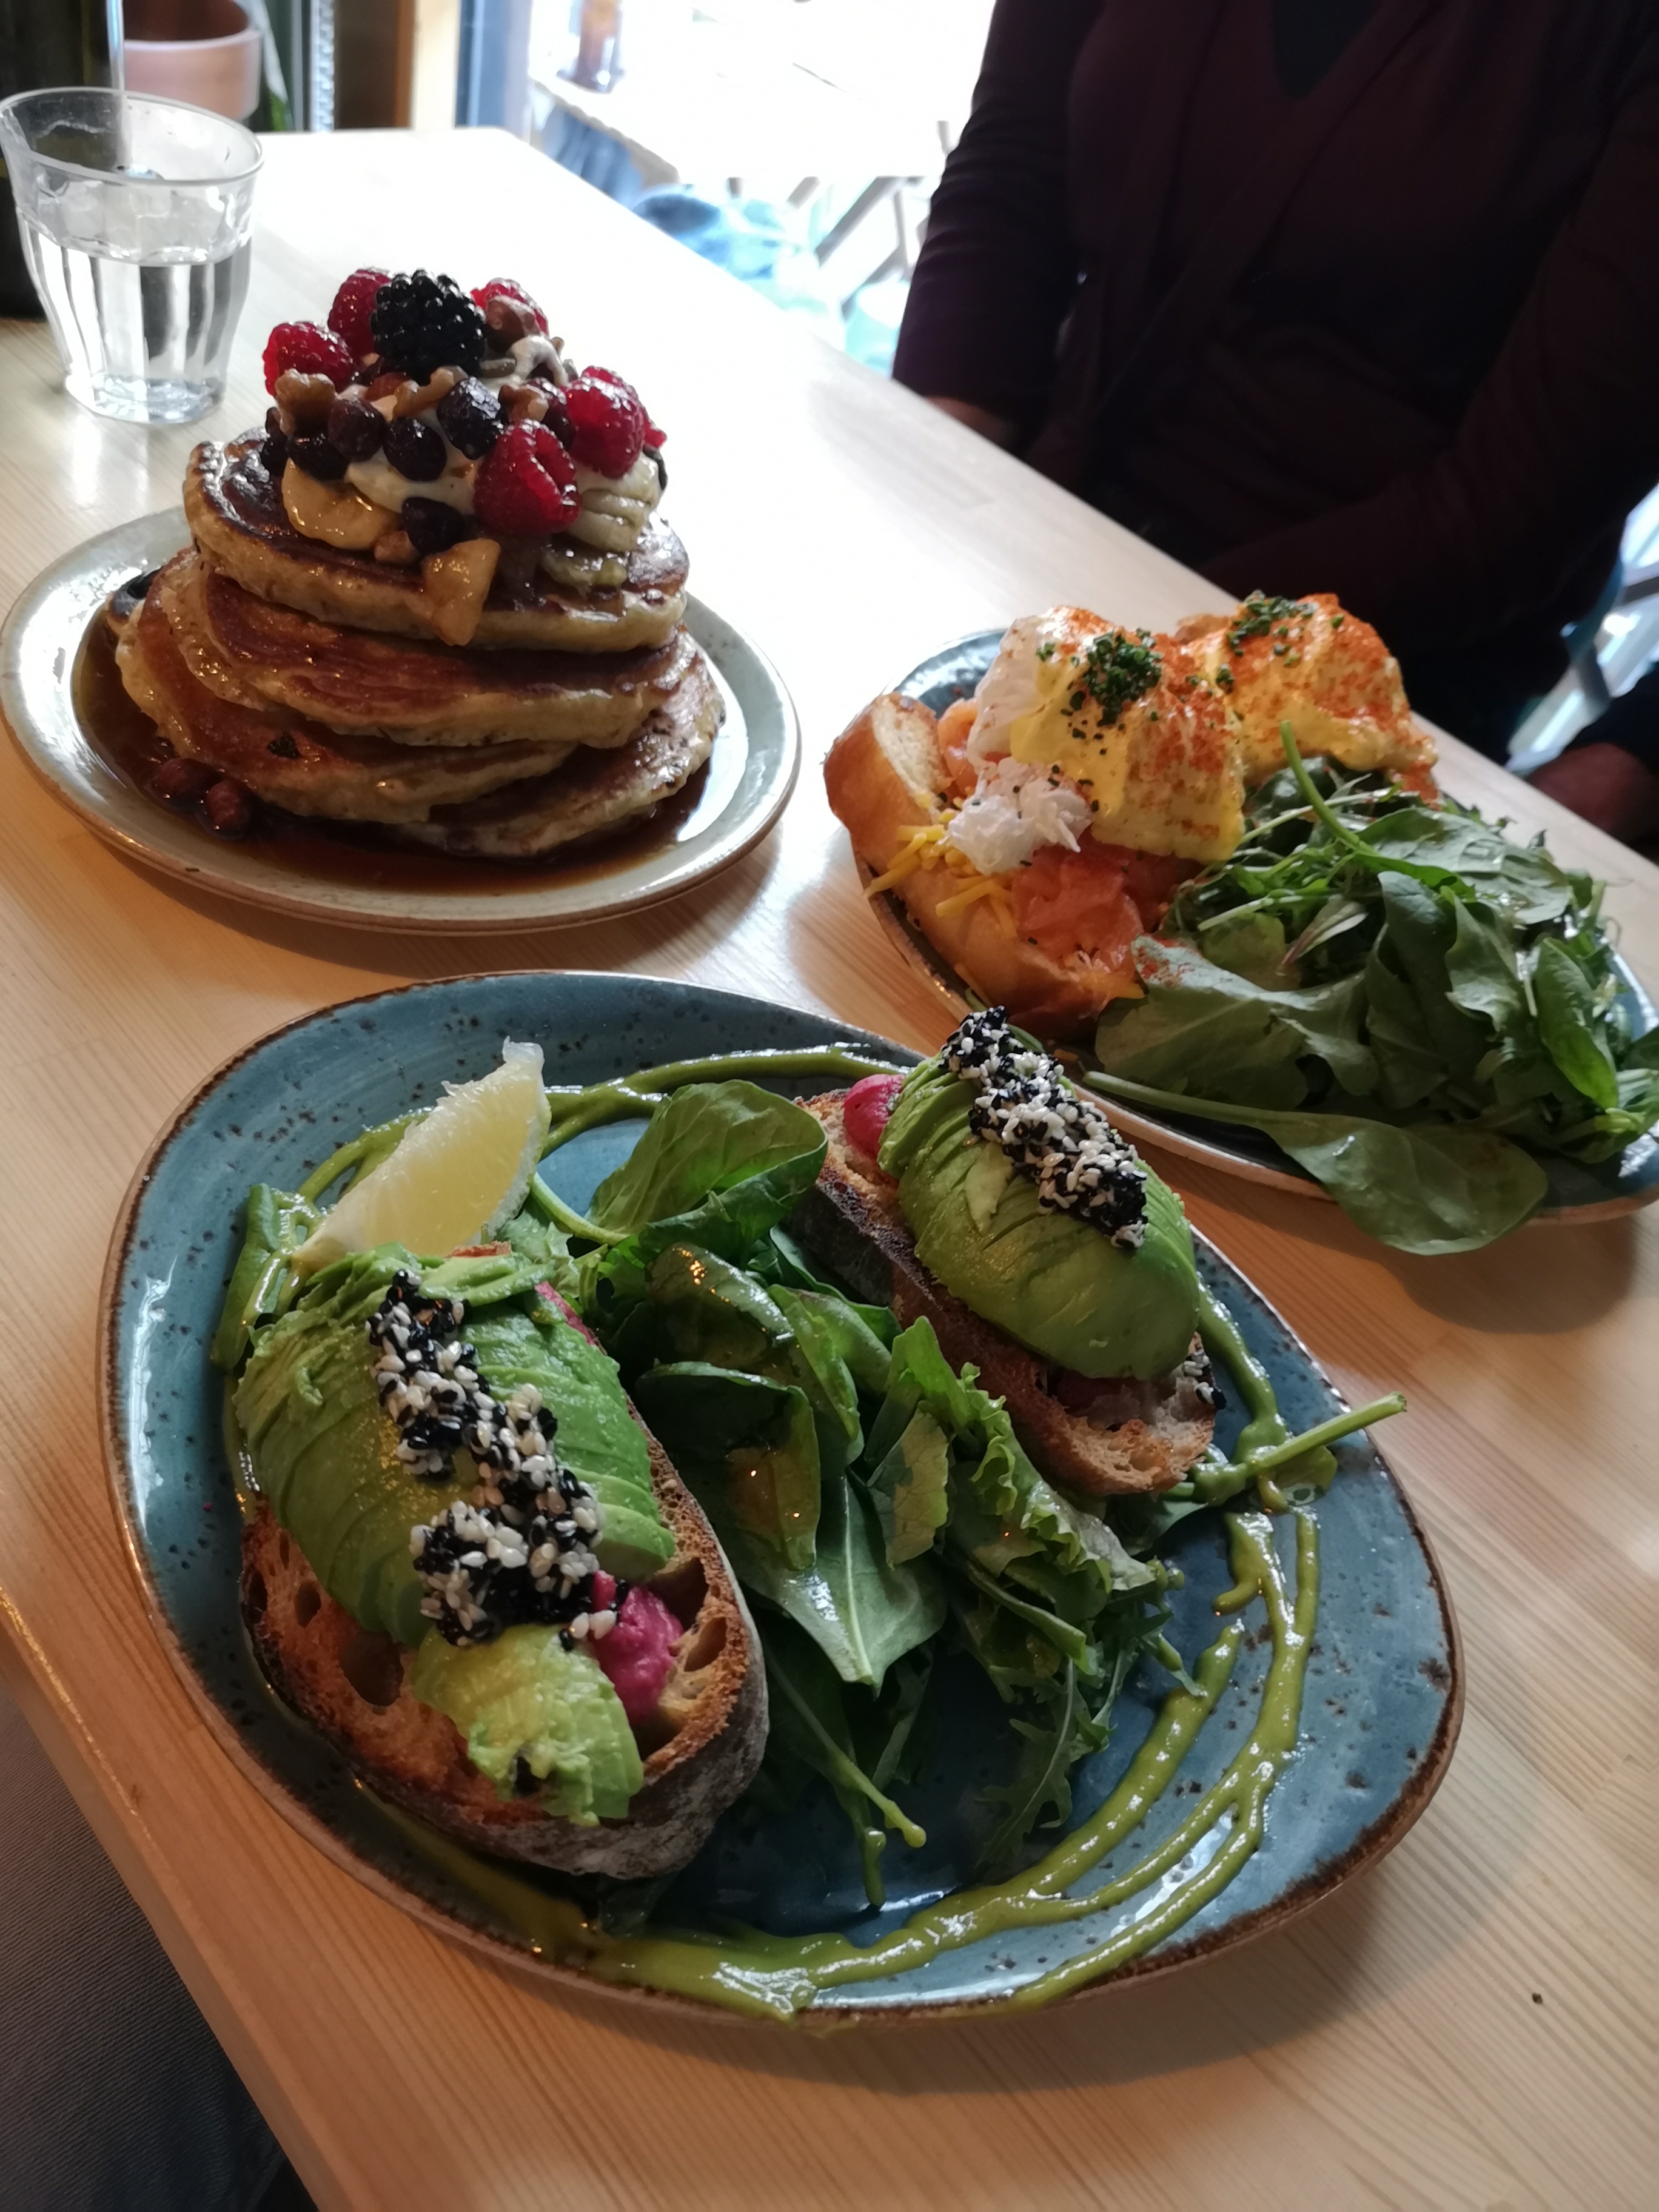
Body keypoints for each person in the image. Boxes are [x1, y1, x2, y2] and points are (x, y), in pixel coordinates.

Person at [894, 0, 1659, 770]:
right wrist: (937, 479)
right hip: (1043, 532)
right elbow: (1011, 172)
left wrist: (1136, 664)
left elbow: (1513, 508)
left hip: (1345, 693)